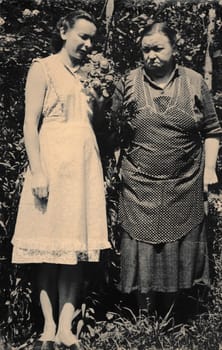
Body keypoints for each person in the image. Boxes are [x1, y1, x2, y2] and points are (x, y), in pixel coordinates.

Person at [11, 10, 110, 350]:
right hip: (51, 165)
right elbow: (29, 124)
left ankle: (67, 328)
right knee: (47, 249)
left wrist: (99, 97)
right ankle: (48, 327)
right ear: (63, 31)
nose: (88, 44)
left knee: (73, 250)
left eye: (92, 39)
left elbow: (92, 124)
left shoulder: (91, 75)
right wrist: (38, 170)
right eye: (82, 36)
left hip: (83, 168)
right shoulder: (43, 68)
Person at [111, 21, 222, 317]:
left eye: (158, 48)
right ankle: (144, 316)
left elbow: (212, 130)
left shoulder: (195, 81)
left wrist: (209, 170)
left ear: (175, 48)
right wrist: (118, 167)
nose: (152, 55)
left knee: (179, 246)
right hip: (138, 184)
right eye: (146, 50)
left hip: (185, 181)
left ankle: (176, 314)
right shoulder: (129, 82)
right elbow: (114, 131)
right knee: (141, 247)